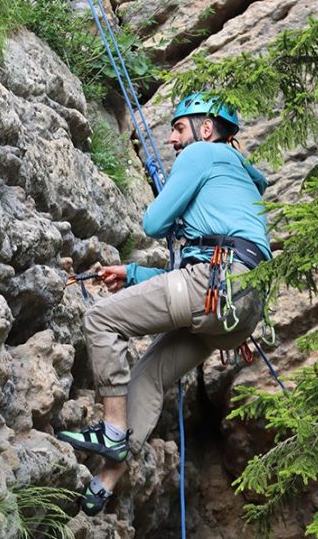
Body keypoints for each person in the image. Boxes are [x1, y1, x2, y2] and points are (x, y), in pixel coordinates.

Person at [56, 93, 272, 515]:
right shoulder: (239, 180)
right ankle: (103, 483)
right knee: (150, 376)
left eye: (178, 127)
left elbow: (152, 222)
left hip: (215, 283)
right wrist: (133, 275)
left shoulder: (203, 154)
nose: (172, 139)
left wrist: (173, 211)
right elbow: (192, 273)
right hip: (237, 307)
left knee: (102, 319)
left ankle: (114, 430)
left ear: (205, 128)